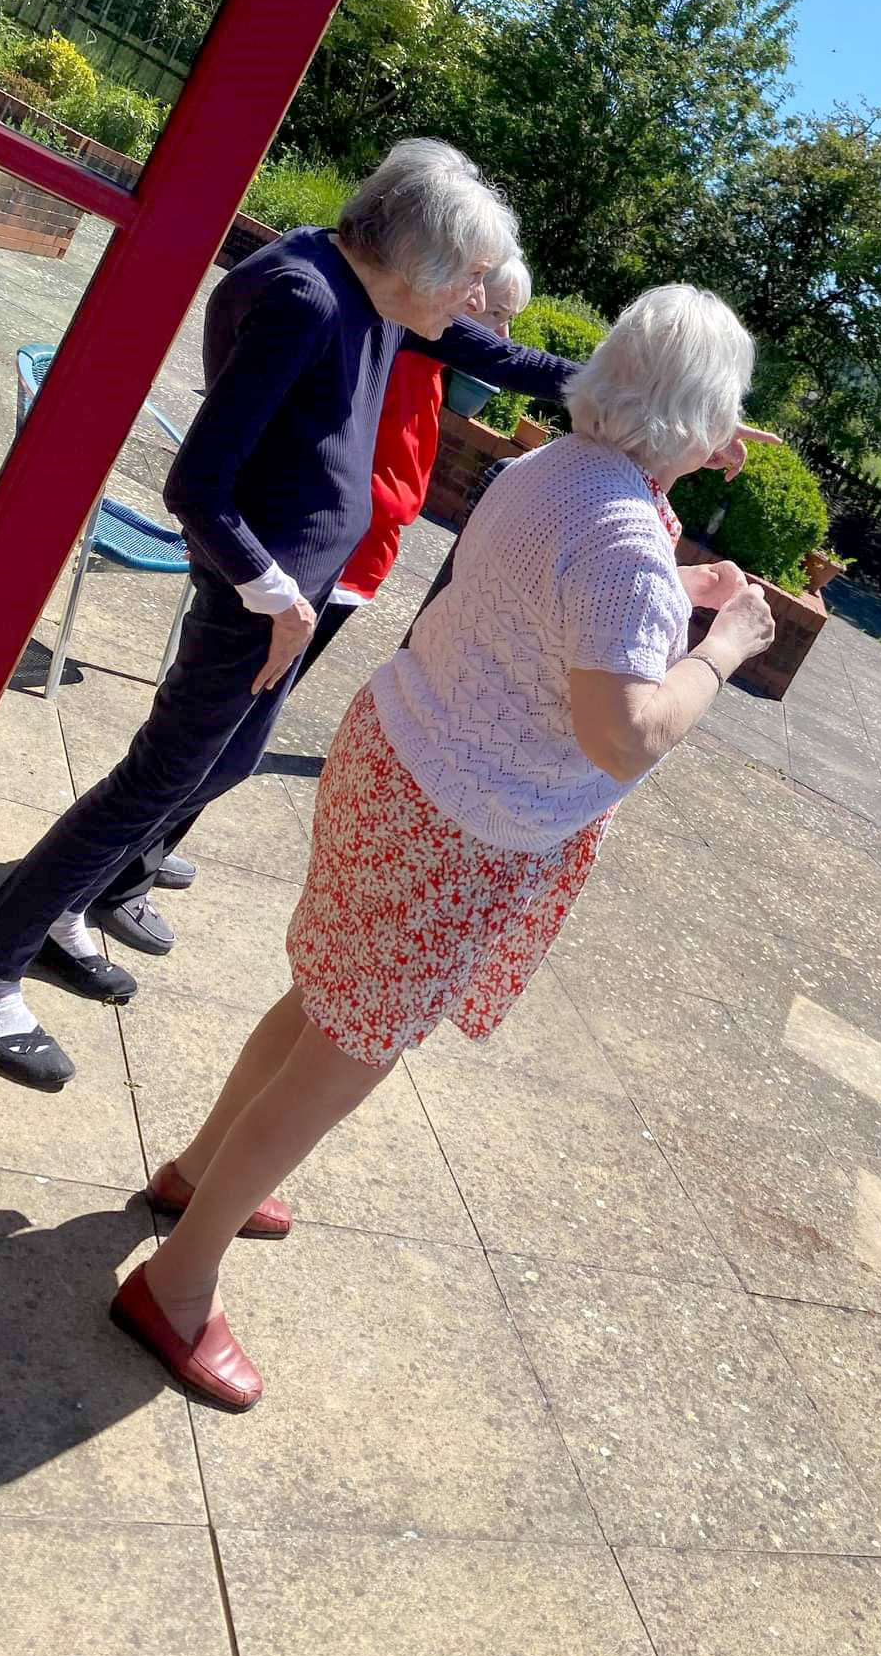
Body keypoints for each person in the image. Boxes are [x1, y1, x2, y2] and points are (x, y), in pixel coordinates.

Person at [109, 285, 776, 1408]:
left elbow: (570, 587)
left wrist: (682, 576)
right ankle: (176, 1284)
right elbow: (623, 734)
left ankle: (198, 1173)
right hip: (460, 829)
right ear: (695, 415)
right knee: (347, 1051)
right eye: (725, 411)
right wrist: (725, 646)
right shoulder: (621, 534)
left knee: (325, 1001)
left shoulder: (558, 468)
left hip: (400, 760)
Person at [0, 142, 581, 1092]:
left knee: (221, 765)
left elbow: (507, 358)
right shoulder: (304, 299)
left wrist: (647, 401)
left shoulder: (378, 296)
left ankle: (63, 910)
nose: (479, 299)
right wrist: (275, 597)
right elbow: (197, 484)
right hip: (258, 599)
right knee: (154, 782)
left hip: (290, 600)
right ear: (423, 258)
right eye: (473, 277)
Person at [291, 251, 533, 685]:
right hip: (334, 553)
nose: (503, 335)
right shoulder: (402, 358)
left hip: (357, 557)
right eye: (497, 314)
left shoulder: (429, 368)